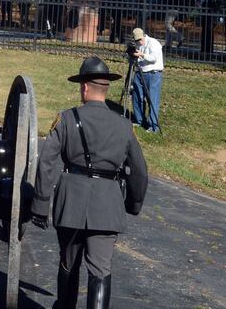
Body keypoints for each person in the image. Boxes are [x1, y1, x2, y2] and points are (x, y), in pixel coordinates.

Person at [31, 56, 148, 309]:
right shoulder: (124, 125)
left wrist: (40, 204)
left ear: (84, 87)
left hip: (71, 202)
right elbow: (139, 171)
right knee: (100, 269)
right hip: (107, 206)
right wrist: (134, 203)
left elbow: (47, 162)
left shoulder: (66, 119)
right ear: (105, 88)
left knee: (68, 263)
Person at [130, 26, 163, 132]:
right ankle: (139, 120)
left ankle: (154, 126)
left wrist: (141, 54)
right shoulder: (137, 45)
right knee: (137, 97)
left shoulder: (154, 43)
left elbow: (153, 58)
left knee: (152, 100)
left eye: (140, 39)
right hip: (140, 72)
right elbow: (137, 59)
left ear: (144, 35)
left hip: (153, 74)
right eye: (137, 40)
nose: (140, 42)